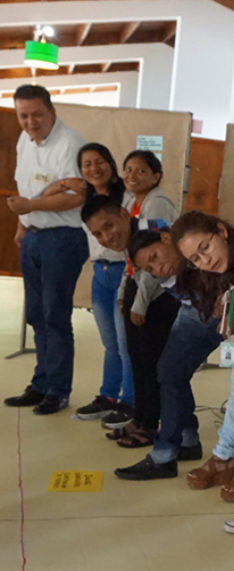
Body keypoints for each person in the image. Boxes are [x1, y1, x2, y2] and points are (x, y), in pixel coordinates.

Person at [116, 211, 234, 503]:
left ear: (221, 231)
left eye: (205, 248)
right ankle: (222, 458)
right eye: (195, 259)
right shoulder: (221, 266)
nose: (205, 261)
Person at [3, 84, 88, 415]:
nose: (30, 122)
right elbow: (27, 185)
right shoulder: (25, 139)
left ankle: (58, 388)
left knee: (55, 314)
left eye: (37, 114)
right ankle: (41, 382)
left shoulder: (70, 143)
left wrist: (30, 206)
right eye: (23, 115)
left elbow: (77, 195)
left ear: (51, 111)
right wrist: (23, 223)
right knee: (36, 314)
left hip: (63, 238)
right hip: (35, 236)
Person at [38, 143, 136, 424]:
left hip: (123, 270)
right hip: (100, 273)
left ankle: (128, 400)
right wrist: (71, 182)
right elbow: (46, 193)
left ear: (111, 163)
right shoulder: (85, 198)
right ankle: (107, 395)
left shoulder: (125, 198)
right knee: (110, 343)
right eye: (87, 165)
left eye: (99, 162)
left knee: (125, 342)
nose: (94, 169)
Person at [79, 195, 176, 447]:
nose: (106, 237)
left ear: (124, 214)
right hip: (137, 297)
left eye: (109, 226)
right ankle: (140, 418)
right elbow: (131, 269)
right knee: (137, 361)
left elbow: (151, 274)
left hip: (158, 300)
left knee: (152, 364)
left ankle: (151, 425)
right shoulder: (128, 238)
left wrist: (138, 304)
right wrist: (123, 295)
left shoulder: (152, 229)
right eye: (98, 234)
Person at [122, 149, 177, 223]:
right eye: (128, 169)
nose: (132, 175)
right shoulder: (131, 203)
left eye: (140, 171)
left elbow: (152, 234)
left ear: (155, 178)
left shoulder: (158, 203)